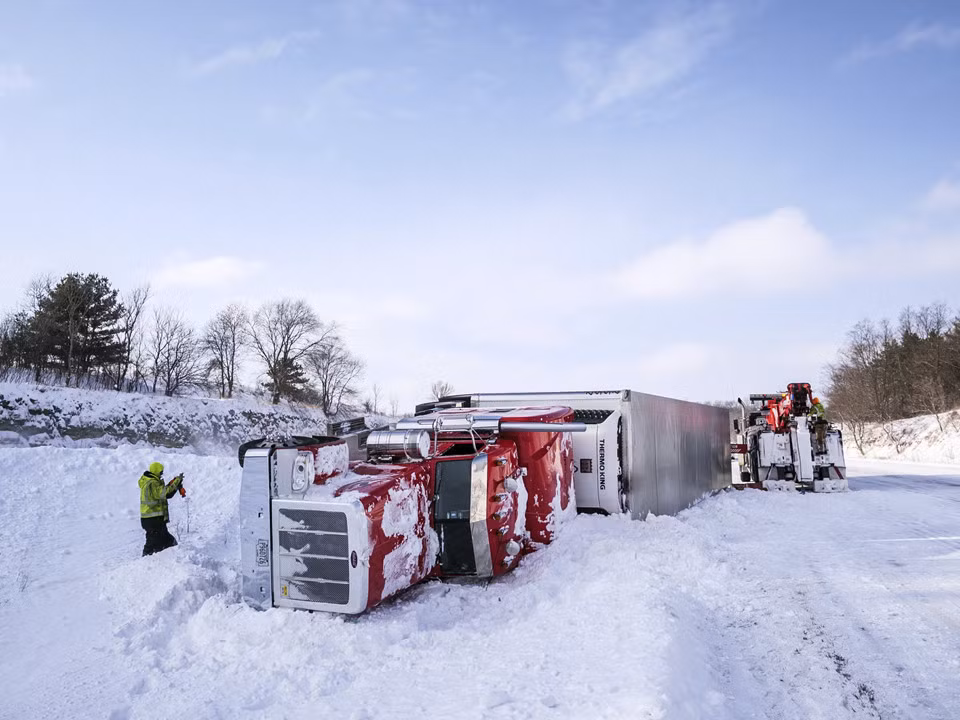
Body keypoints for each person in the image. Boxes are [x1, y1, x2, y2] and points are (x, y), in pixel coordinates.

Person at [139, 461, 184, 556]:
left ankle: (175, 557)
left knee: (167, 540)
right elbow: (165, 493)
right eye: (160, 472)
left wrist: (174, 484)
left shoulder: (151, 482)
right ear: (156, 471)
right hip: (153, 518)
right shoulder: (152, 483)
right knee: (152, 542)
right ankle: (144, 561)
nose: (161, 474)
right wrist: (176, 483)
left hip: (154, 518)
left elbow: (164, 493)